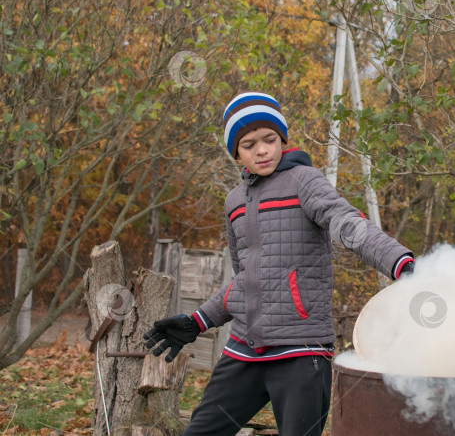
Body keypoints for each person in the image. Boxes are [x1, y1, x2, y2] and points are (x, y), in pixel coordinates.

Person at [143, 92, 415, 436]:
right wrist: (198, 320)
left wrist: (399, 263)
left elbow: (347, 223)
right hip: (244, 351)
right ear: (236, 153)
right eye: (249, 144)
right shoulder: (234, 201)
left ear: (282, 139)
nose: (262, 150)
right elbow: (246, 279)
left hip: (301, 352)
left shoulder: (304, 180)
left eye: (270, 139)